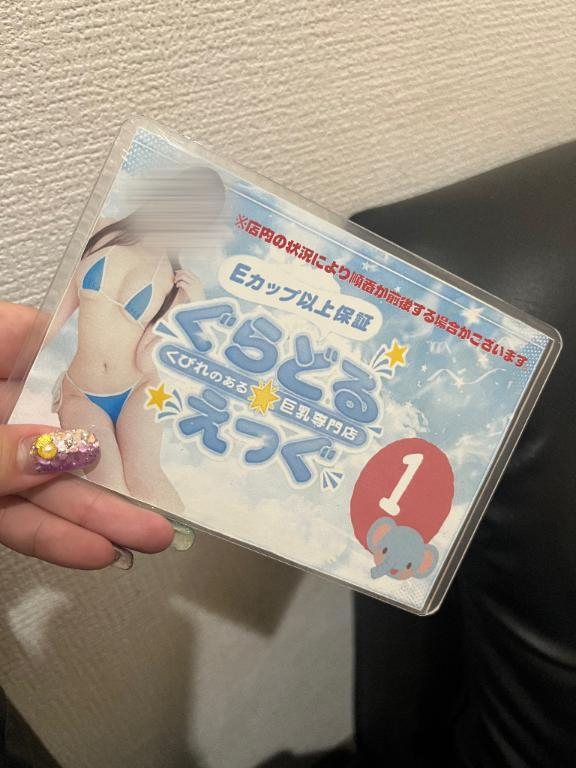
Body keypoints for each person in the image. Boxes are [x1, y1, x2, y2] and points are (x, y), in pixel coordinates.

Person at [51, 167, 225, 512]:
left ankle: (177, 532)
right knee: (109, 487)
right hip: (80, 391)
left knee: (146, 480)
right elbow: (57, 314)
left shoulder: (176, 282)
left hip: (139, 390)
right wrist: (25, 361)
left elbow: (158, 358)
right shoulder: (102, 232)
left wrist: (196, 305)